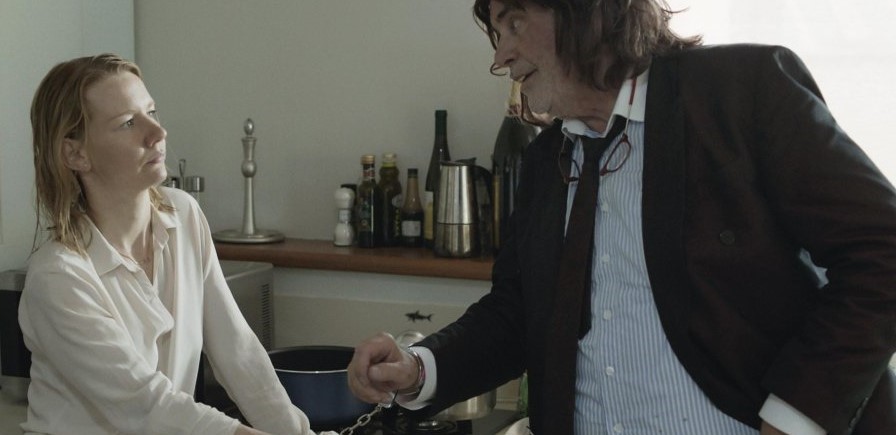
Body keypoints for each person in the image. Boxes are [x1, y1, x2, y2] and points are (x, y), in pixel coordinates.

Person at [347, 1, 896, 434]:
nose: (500, 58)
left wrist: (796, 418)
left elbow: (882, 250)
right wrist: (418, 369)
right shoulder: (545, 160)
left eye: (514, 23)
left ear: (588, 10)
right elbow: (516, 313)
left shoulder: (743, 89)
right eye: (497, 33)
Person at [20, 54, 326, 435]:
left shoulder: (183, 215)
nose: (157, 132)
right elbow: (147, 406)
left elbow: (237, 352)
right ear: (76, 154)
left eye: (151, 112)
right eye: (128, 123)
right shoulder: (58, 276)